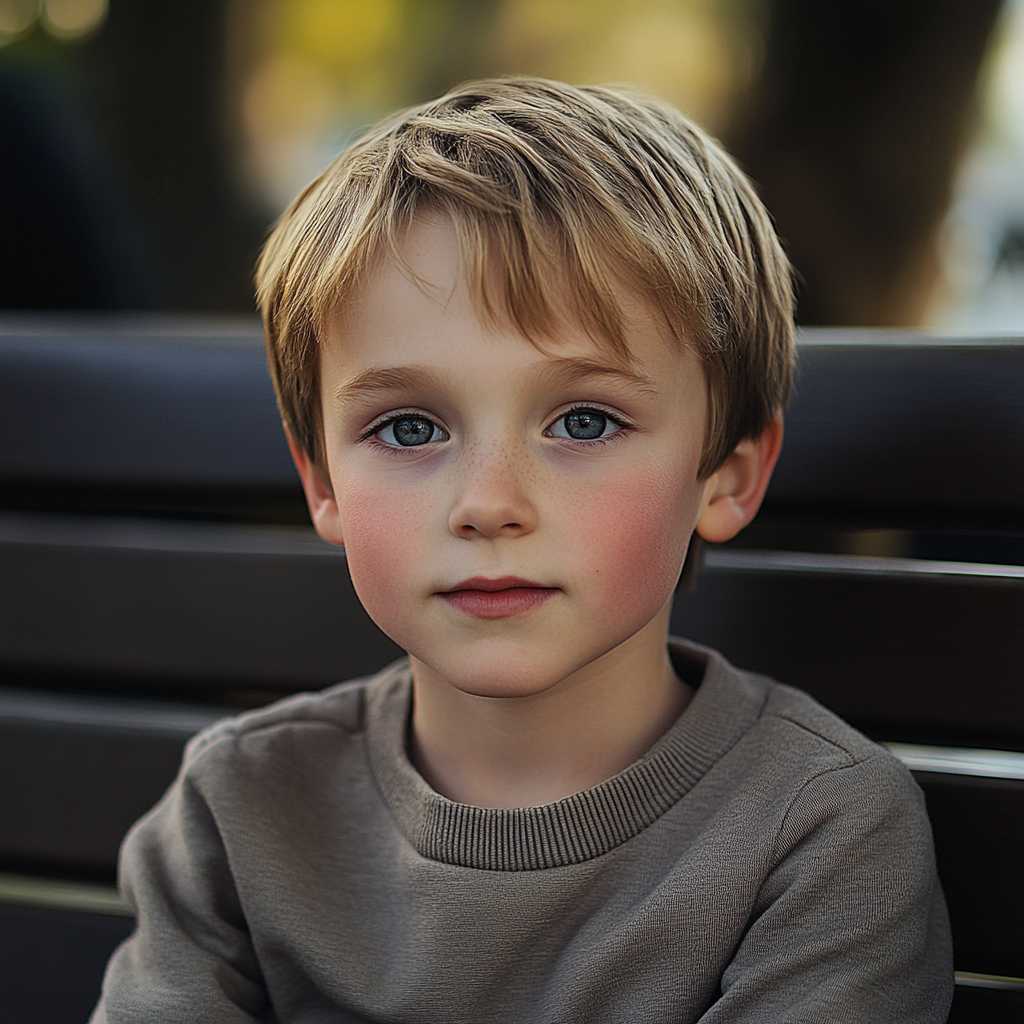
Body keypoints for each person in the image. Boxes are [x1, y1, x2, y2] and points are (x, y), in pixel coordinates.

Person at [91, 78, 952, 1023]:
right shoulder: (240, 808)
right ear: (324, 485)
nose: (488, 504)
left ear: (728, 477)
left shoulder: (820, 834)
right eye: (410, 429)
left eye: (584, 420)